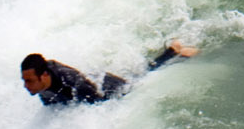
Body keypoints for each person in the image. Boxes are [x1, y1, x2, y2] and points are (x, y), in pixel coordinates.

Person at [20, 43, 199, 107]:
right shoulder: (41, 82)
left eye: (29, 81)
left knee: (140, 82)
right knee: (140, 74)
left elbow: (101, 105)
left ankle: (177, 55)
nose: (26, 85)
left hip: (108, 87)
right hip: (96, 79)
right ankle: (171, 50)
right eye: (24, 80)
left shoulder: (73, 85)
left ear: (43, 76)